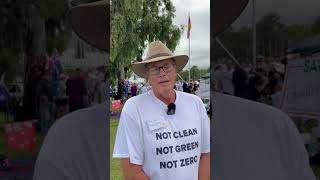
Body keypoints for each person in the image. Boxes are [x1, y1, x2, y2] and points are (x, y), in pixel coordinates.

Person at [113, 41, 210, 180]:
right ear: (147, 77)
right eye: (155, 69)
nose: (162, 73)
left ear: (175, 70)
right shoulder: (134, 108)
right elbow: (132, 173)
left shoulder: (195, 103)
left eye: (167, 67)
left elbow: (206, 155)